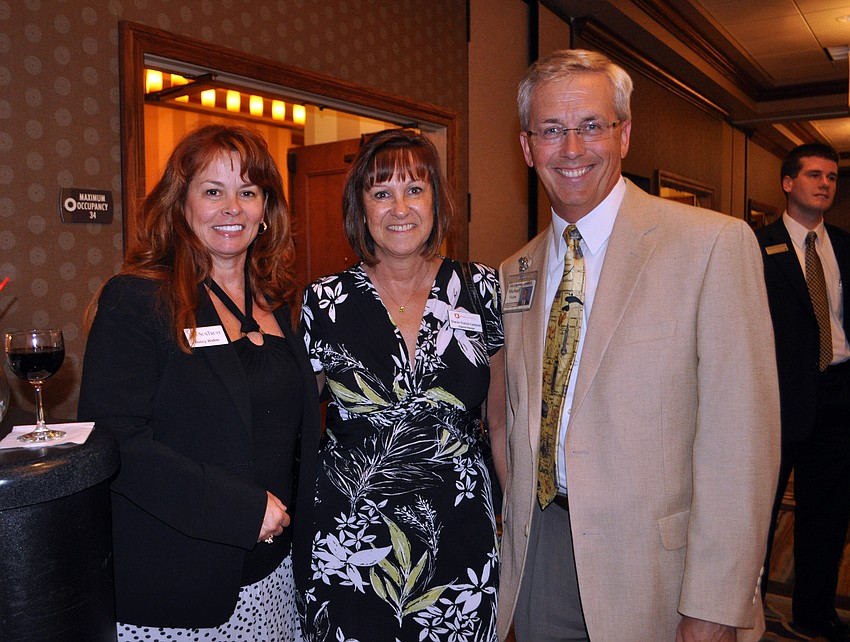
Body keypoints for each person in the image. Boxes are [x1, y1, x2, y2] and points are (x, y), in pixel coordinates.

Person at [498, 49, 780, 642]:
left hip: (659, 571)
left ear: (624, 135)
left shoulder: (712, 246)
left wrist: (715, 605)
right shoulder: (514, 271)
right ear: (527, 147)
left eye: (591, 126)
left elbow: (743, 444)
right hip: (540, 551)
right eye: (551, 130)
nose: (571, 150)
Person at [78, 124, 320, 641]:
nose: (232, 207)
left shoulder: (277, 305)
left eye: (248, 192)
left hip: (275, 580)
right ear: (180, 203)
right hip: (177, 586)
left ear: (266, 210)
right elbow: (114, 442)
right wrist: (242, 508)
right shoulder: (138, 299)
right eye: (213, 191)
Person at [297, 128, 506, 642]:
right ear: (361, 207)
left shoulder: (481, 289)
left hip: (460, 532)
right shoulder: (324, 302)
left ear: (436, 200)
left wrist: (512, 512)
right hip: (352, 541)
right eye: (381, 192)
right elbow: (293, 426)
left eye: (414, 189)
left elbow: (499, 420)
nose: (399, 208)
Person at [755, 143, 850, 642]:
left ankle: (814, 612)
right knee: (761, 512)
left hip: (838, 396)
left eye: (832, 177)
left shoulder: (845, 246)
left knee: (828, 516)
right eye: (814, 175)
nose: (825, 184)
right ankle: (747, 609)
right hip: (778, 397)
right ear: (788, 182)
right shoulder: (755, 245)